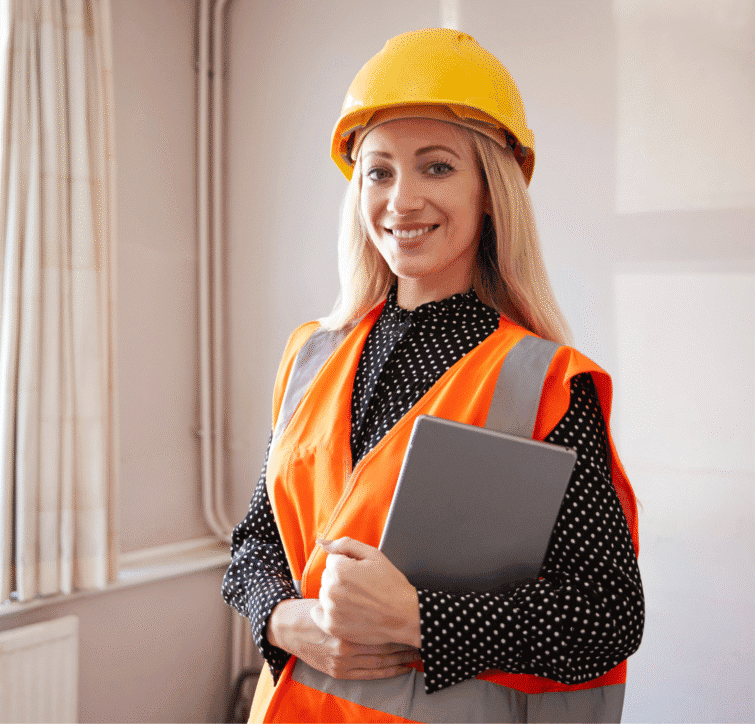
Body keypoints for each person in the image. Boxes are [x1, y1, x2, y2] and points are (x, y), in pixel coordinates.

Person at [221, 28, 644, 723]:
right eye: (380, 170)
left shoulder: (545, 384)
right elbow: (255, 542)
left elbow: (605, 616)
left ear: (490, 192)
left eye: (437, 167)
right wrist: (282, 619)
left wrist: (418, 617)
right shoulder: (310, 357)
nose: (401, 200)